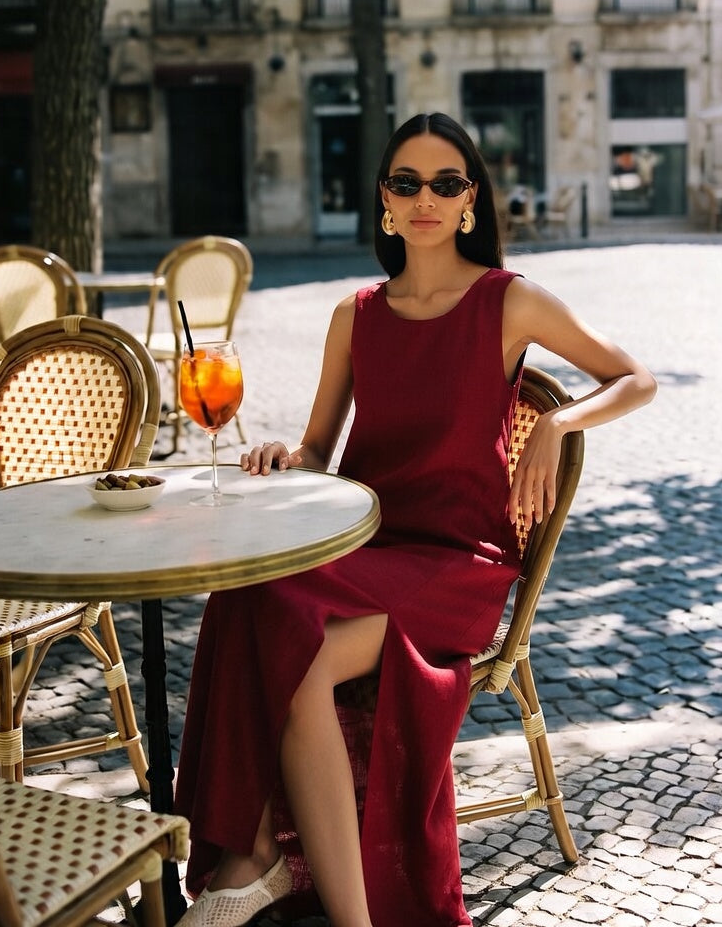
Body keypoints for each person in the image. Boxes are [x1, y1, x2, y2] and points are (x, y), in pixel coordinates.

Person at [174, 112, 657, 927]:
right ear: (385, 203)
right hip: (365, 545)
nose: (425, 197)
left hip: (457, 565)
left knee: (298, 655)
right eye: (406, 182)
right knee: (245, 595)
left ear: (471, 199)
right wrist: (281, 457)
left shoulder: (510, 303)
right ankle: (257, 856)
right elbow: (321, 450)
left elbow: (636, 378)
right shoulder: (356, 314)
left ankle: (316, 895)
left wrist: (560, 425)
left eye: (445, 182)